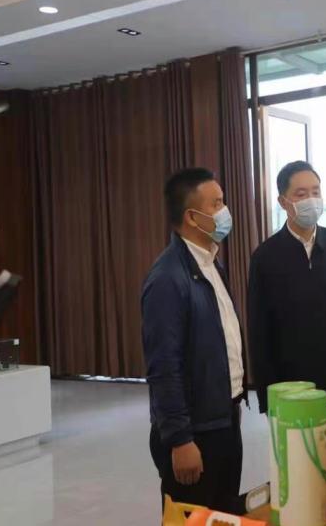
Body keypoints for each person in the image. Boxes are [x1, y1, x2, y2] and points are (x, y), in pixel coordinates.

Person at [142, 168, 247, 515]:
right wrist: (180, 439)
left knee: (222, 514)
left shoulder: (210, 264)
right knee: (191, 517)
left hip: (224, 419)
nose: (224, 211)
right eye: (216, 203)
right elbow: (164, 367)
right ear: (191, 217)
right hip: (195, 432)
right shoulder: (168, 278)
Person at [248, 161, 326, 413]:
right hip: (292, 384)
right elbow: (259, 332)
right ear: (283, 202)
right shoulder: (265, 256)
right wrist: (266, 396)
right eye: (301, 194)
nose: (311, 200)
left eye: (316, 192)